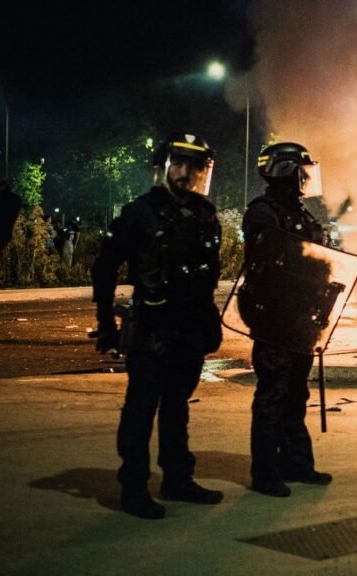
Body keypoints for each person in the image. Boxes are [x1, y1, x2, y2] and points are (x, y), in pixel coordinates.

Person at [92, 133, 224, 519]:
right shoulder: (139, 213)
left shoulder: (205, 214)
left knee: (177, 406)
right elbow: (104, 269)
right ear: (165, 166)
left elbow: (207, 276)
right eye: (178, 163)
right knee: (140, 409)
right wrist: (105, 323)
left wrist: (209, 322)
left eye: (193, 165)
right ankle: (134, 488)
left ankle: (177, 479)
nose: (185, 172)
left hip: (189, 329)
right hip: (152, 328)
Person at [243, 142, 332, 497]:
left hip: (300, 321)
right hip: (275, 320)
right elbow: (269, 264)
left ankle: (297, 464)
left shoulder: (302, 214)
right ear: (285, 171)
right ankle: (265, 473)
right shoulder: (263, 213)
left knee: (296, 394)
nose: (307, 178)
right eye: (302, 171)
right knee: (272, 397)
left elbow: (318, 260)